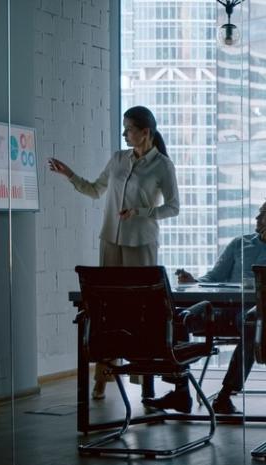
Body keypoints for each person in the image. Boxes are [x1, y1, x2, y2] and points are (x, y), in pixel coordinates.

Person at [48, 105, 180, 400]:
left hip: (141, 243)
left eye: (129, 128)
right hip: (111, 240)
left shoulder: (162, 166)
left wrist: (141, 211)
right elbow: (95, 190)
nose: (124, 134)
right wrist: (69, 175)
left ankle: (144, 379)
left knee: (140, 311)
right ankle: (103, 375)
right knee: (108, 310)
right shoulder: (118, 159)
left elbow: (174, 207)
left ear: (145, 132)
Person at [145, 196, 266, 414]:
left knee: (252, 323)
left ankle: (226, 395)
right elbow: (213, 277)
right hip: (220, 312)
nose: (257, 217)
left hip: (253, 315)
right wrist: (195, 282)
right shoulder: (240, 243)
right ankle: (180, 390)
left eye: (264, 213)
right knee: (178, 317)